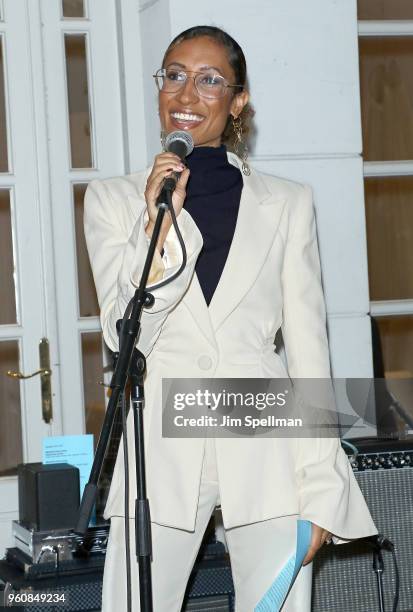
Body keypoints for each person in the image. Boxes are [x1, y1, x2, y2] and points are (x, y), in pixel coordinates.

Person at [84, 25, 377, 612]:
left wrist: (320, 485)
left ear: (238, 100)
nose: (186, 93)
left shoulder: (288, 201)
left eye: (210, 79)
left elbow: (308, 349)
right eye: (174, 75)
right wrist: (158, 223)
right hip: (160, 441)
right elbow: (125, 331)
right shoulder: (114, 200)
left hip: (266, 434)